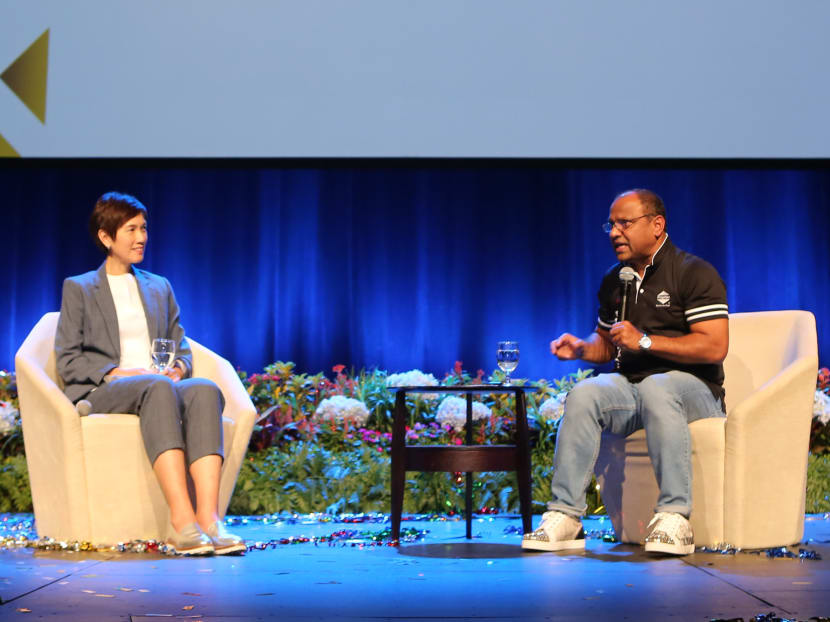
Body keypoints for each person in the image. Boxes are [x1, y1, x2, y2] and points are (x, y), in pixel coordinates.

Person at [522, 189, 729, 556]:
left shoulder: (693, 272)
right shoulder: (615, 279)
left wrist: (646, 342)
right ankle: (566, 514)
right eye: (611, 224)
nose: (615, 232)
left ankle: (674, 516)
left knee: (659, 387)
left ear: (656, 225)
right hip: (635, 388)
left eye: (625, 223)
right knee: (586, 393)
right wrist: (584, 349)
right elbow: (608, 345)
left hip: (695, 390)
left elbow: (714, 346)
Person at [55, 191, 245, 556]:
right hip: (103, 390)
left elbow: (181, 344)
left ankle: (210, 520)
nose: (141, 237)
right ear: (106, 237)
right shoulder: (79, 288)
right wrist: (115, 371)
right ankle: (181, 521)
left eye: (143, 228)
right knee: (156, 387)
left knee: (203, 388)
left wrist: (178, 368)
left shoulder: (159, 286)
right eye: (130, 230)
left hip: (155, 385)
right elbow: (68, 358)